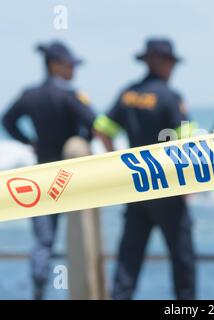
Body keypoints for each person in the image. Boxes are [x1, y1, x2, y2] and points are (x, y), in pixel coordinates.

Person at [93, 38, 196, 300]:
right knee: (181, 258)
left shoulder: (128, 94)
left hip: (136, 185)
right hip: (168, 188)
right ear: (159, 62)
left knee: (129, 258)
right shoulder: (170, 97)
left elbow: (101, 128)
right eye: (170, 62)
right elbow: (189, 142)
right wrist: (188, 183)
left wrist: (118, 163)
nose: (172, 68)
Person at [2, 41, 96, 299]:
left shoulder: (30, 95)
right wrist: (83, 141)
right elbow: (94, 123)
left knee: (43, 242)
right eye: (70, 65)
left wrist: (29, 141)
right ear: (55, 65)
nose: (74, 70)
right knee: (81, 237)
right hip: (70, 175)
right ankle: (83, 290)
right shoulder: (69, 95)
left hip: (41, 175)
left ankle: (39, 291)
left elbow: (7, 120)